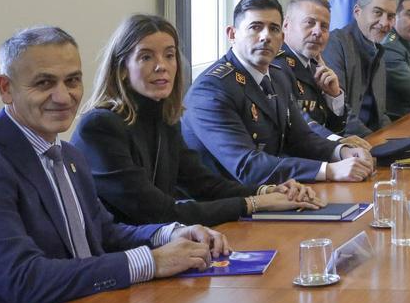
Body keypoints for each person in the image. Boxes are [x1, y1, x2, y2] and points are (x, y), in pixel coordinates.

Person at [0, 26, 230, 303]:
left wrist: (169, 234)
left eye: (72, 80)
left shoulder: (68, 155)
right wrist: (151, 262)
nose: (63, 97)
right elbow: (24, 280)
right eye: (44, 83)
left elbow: (103, 233)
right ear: (6, 88)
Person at [73, 14, 326, 228]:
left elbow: (205, 185)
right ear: (121, 69)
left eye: (169, 55)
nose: (161, 66)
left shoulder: (164, 118)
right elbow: (157, 213)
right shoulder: (100, 128)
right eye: (146, 57)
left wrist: (271, 191)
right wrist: (254, 204)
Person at [181, 0, 374, 185]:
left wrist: (341, 152)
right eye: (255, 27)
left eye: (273, 29)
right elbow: (246, 166)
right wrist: (329, 170)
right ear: (232, 34)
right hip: (220, 206)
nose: (266, 36)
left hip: (271, 193)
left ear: (281, 38)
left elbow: (300, 138)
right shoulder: (210, 91)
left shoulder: (277, 75)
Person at [275, 0, 372, 150]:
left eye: (324, 26)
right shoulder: (275, 66)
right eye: (310, 23)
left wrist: (334, 97)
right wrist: (337, 142)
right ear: (286, 25)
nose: (318, 32)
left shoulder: (315, 65)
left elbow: (334, 127)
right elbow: (298, 122)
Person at [324, 0, 398, 136]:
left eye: (391, 16)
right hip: (347, 142)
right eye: (377, 13)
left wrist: (392, 137)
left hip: (371, 138)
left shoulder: (378, 48)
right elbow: (338, 111)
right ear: (357, 12)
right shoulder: (335, 44)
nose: (385, 23)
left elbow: (380, 113)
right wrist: (376, 141)